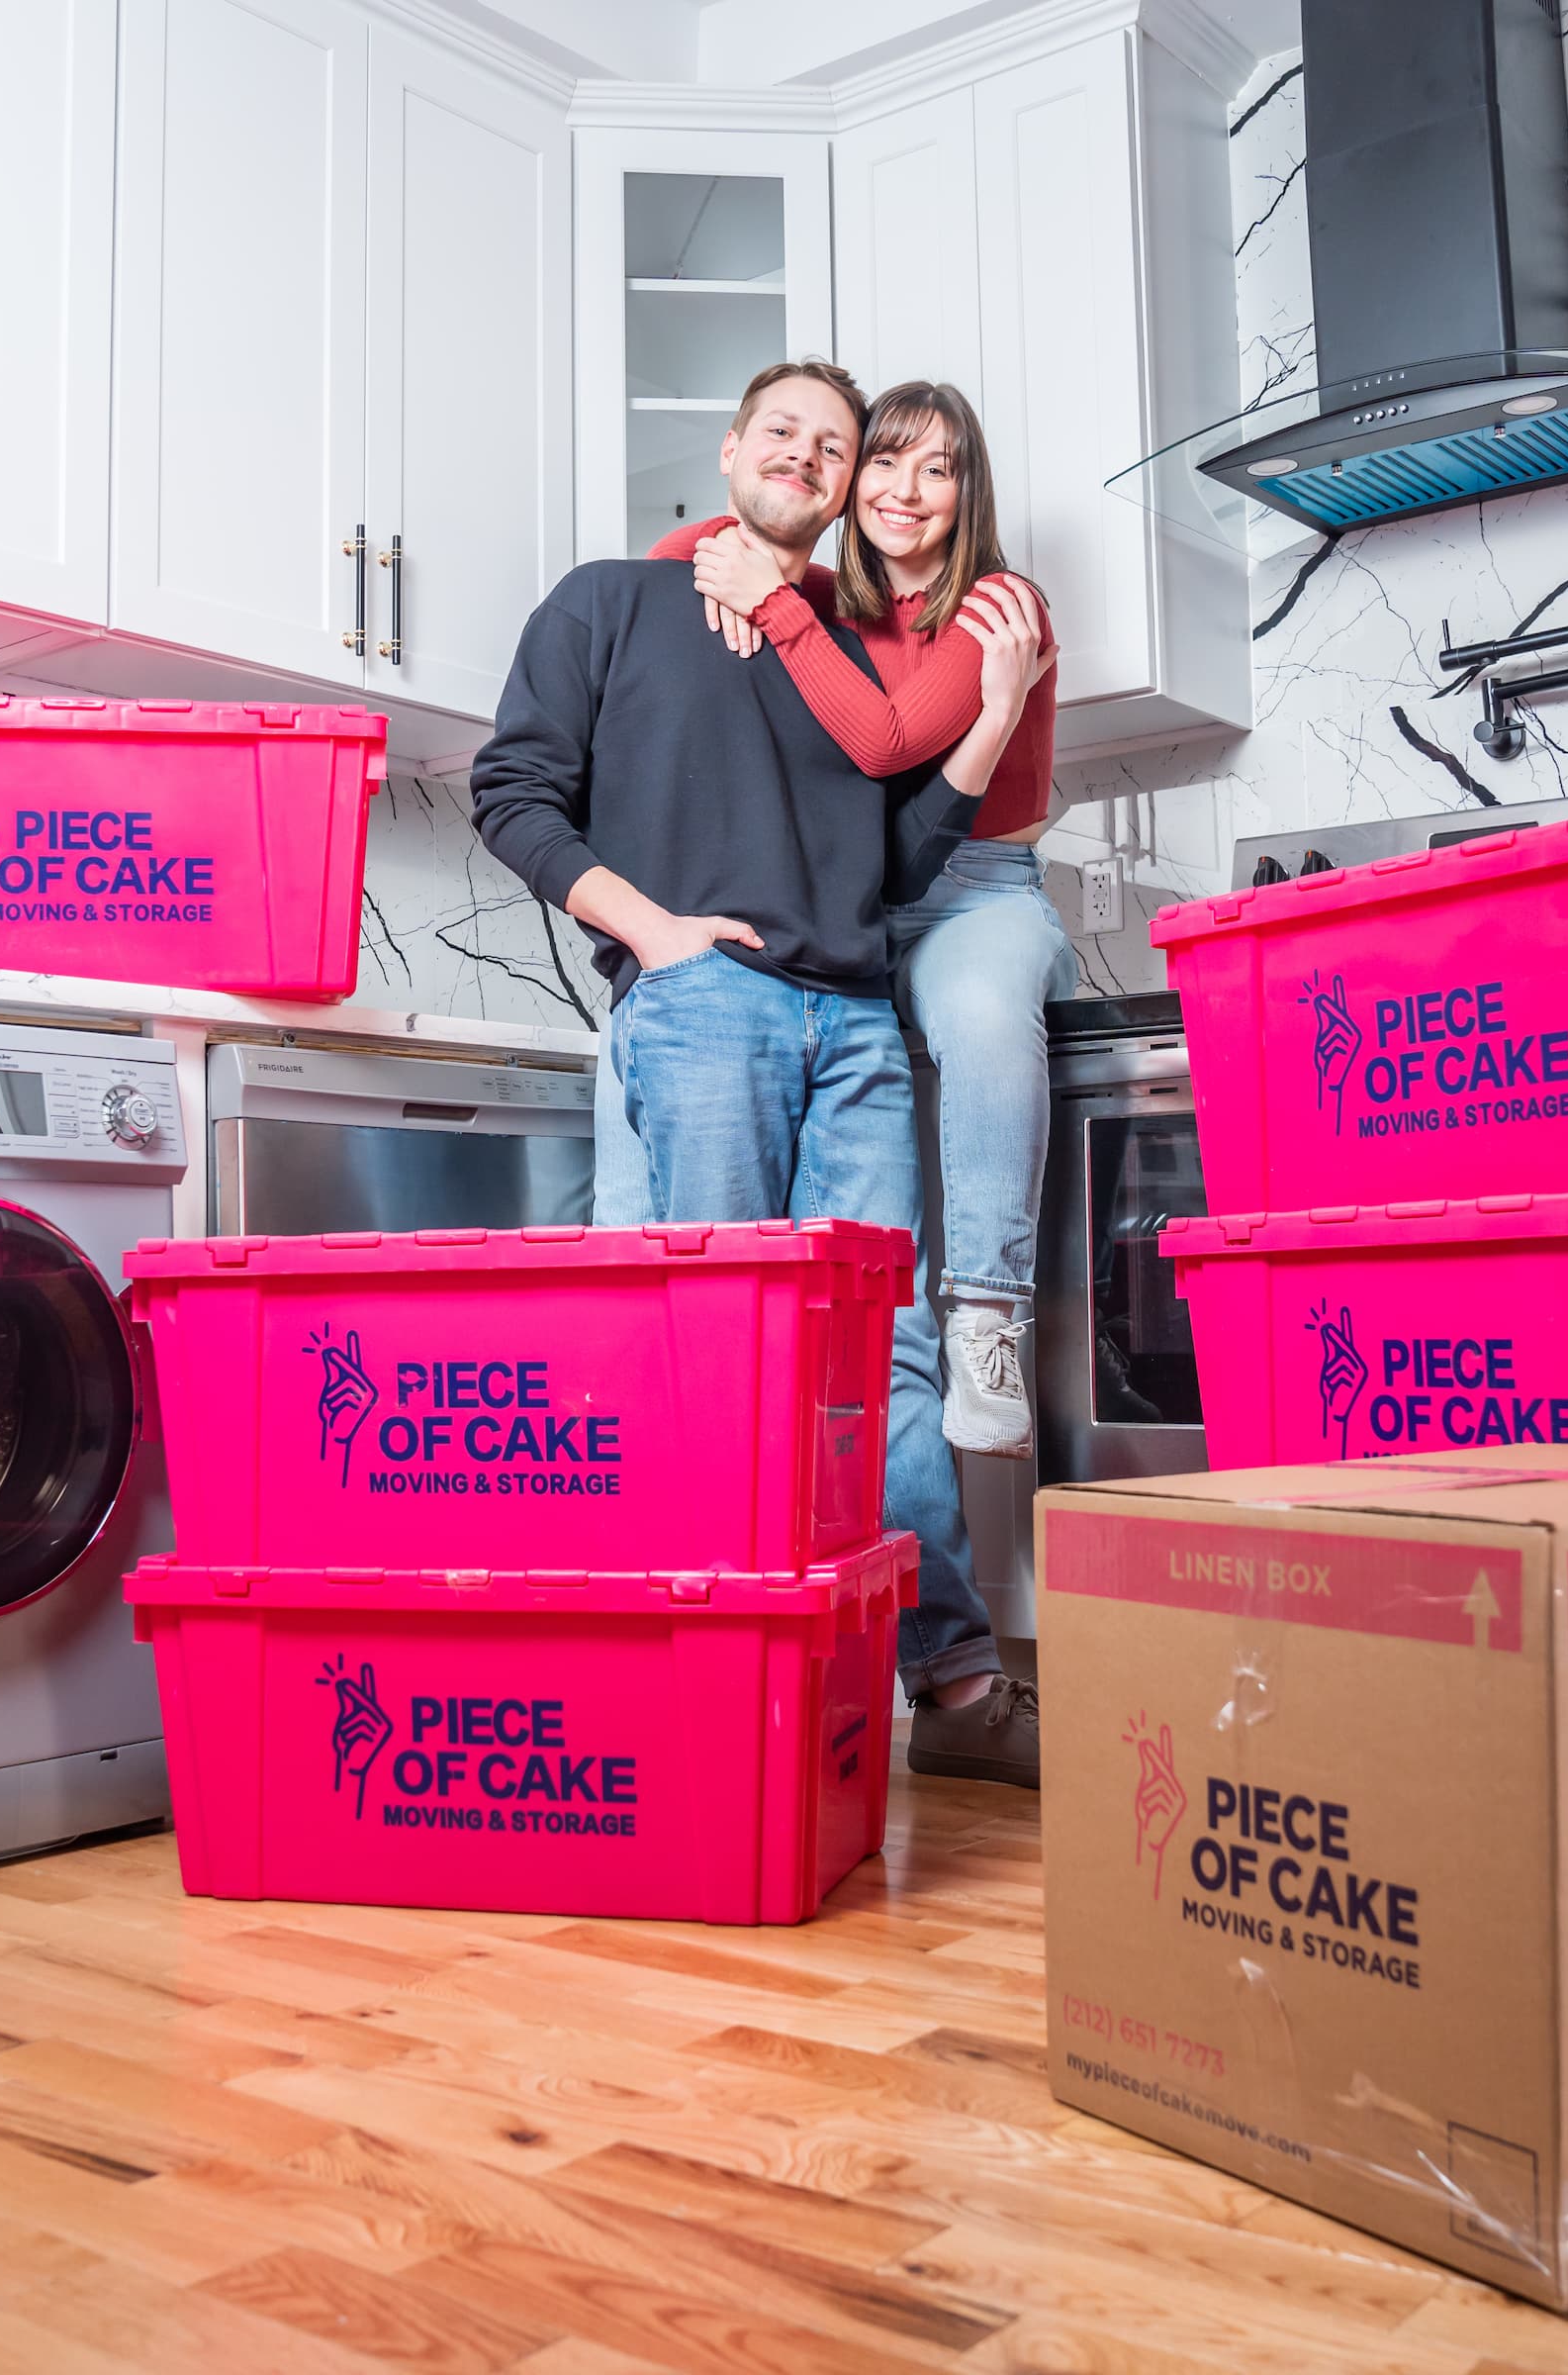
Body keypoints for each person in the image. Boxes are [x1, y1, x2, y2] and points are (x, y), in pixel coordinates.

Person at [470, 358, 1055, 1787]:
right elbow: (510, 791)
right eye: (782, 432)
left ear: (851, 488)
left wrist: (988, 712)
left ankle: (958, 1687)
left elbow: (907, 854)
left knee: (886, 1360)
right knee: (719, 1356)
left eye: (834, 446)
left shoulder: (845, 653)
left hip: (854, 1024)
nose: (807, 457)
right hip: (709, 1008)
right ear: (730, 450)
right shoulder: (609, 601)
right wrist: (653, 936)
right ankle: (712, 1687)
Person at [650, 381, 1076, 1473]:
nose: (904, 490)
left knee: (979, 1018)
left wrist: (769, 596)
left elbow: (886, 744)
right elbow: (675, 555)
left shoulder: (997, 606)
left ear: (967, 492)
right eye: (883, 461)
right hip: (853, 893)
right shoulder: (835, 601)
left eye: (937, 468)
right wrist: (725, 546)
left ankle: (988, 1312)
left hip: (977, 885)